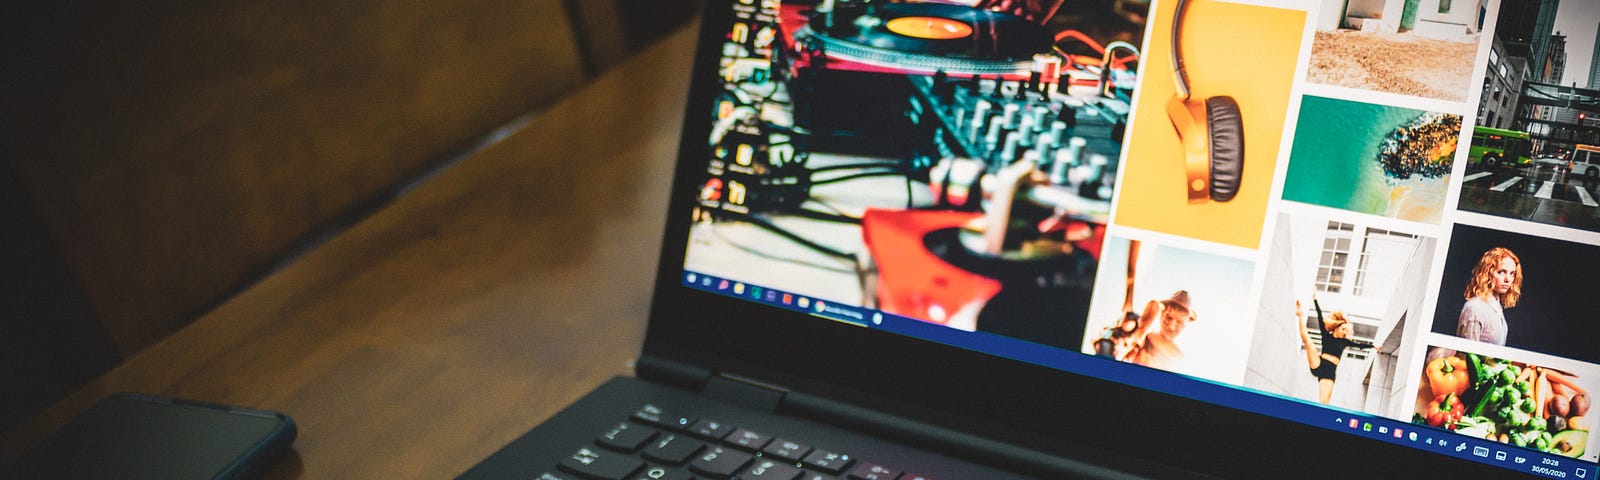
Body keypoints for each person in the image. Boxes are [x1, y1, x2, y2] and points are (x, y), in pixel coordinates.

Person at [1294, 298, 1376, 404]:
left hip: (1329, 372)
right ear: (1337, 327)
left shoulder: (1344, 341)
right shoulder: (1326, 336)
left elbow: (1359, 345)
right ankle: (1299, 315)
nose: (1344, 333)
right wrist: (1315, 299)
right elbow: (1320, 316)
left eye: (1346, 331)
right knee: (1308, 342)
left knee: (1324, 402)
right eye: (1343, 329)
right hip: (1319, 363)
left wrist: (1374, 346)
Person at [1456, 247, 1520, 345]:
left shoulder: (1496, 306)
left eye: (1512, 274)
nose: (1508, 279)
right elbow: (1468, 354)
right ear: (1487, 273)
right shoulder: (1475, 308)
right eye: (1501, 272)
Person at [1126, 291, 1196, 370]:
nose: (1172, 326)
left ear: (1184, 325)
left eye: (1179, 322)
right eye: (1169, 318)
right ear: (1161, 316)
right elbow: (1153, 305)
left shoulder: (1179, 357)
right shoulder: (1145, 337)